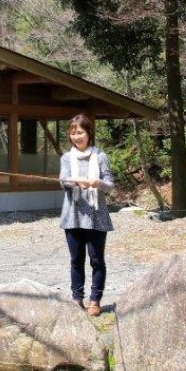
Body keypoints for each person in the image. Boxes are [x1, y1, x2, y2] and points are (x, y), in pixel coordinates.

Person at [59, 113, 115, 316]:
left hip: (96, 216)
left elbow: (110, 186)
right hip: (72, 215)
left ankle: (95, 301)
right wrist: (74, 181)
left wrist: (96, 183)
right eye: (73, 133)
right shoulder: (66, 158)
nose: (76, 137)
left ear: (89, 133)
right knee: (76, 260)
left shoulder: (100, 156)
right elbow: (63, 182)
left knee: (97, 260)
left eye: (80, 132)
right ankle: (77, 299)